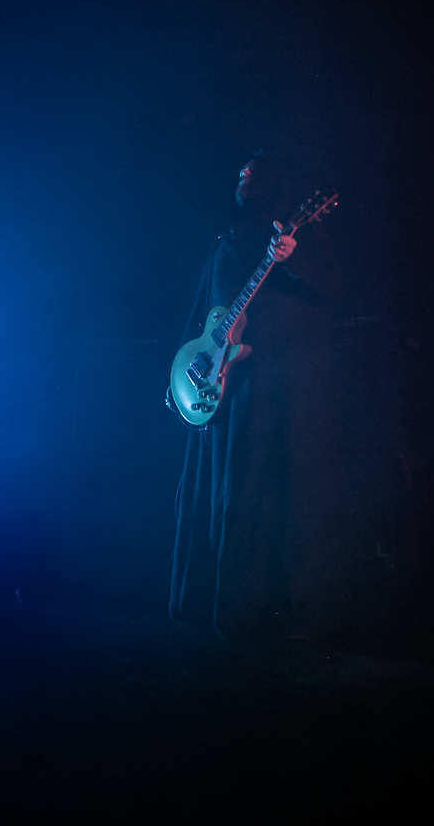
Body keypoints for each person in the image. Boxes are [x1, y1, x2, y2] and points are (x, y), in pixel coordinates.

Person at [168, 153, 345, 641]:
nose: (243, 180)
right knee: (220, 496)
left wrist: (295, 258)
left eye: (253, 174)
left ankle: (272, 610)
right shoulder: (223, 245)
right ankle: (210, 601)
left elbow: (334, 289)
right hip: (221, 390)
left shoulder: (297, 233)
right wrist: (178, 376)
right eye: (240, 174)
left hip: (278, 393)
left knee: (265, 496)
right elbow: (199, 315)